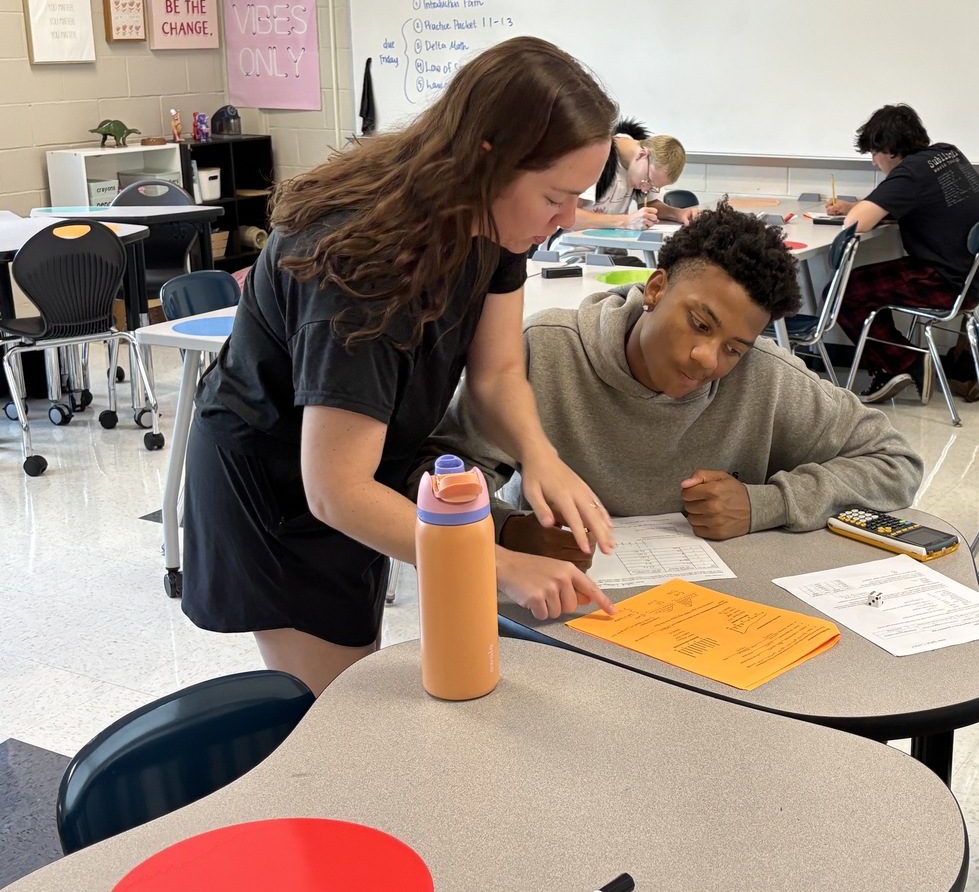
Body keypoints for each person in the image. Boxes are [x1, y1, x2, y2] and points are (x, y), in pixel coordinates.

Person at [181, 37, 622, 696]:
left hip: (358, 465)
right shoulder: (363, 267)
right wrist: (496, 566)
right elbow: (334, 490)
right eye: (556, 197)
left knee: (364, 672)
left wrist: (540, 455)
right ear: (486, 158)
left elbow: (498, 371)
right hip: (279, 487)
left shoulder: (494, 221)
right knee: (335, 707)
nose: (566, 221)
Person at [415, 201, 923, 567]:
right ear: (656, 288)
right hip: (570, 615)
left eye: (733, 347)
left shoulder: (764, 375)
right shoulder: (545, 352)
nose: (706, 358)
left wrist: (766, 503)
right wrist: (513, 531)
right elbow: (437, 476)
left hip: (723, 618)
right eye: (699, 324)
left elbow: (895, 463)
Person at [827, 104, 979, 404]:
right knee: (868, 289)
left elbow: (855, 225)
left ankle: (907, 362)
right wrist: (857, 206)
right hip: (974, 279)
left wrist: (855, 211)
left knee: (840, 292)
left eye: (874, 153)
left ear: (890, 150)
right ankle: (893, 365)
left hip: (943, 283)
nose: (873, 163)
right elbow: (919, 204)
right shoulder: (947, 153)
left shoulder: (911, 174)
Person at [568, 118, 699, 230]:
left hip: (613, 250)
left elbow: (650, 206)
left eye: (651, 187)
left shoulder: (642, 167)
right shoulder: (597, 155)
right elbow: (570, 215)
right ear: (642, 155)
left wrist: (679, 213)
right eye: (648, 181)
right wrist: (625, 221)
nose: (645, 189)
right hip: (576, 252)